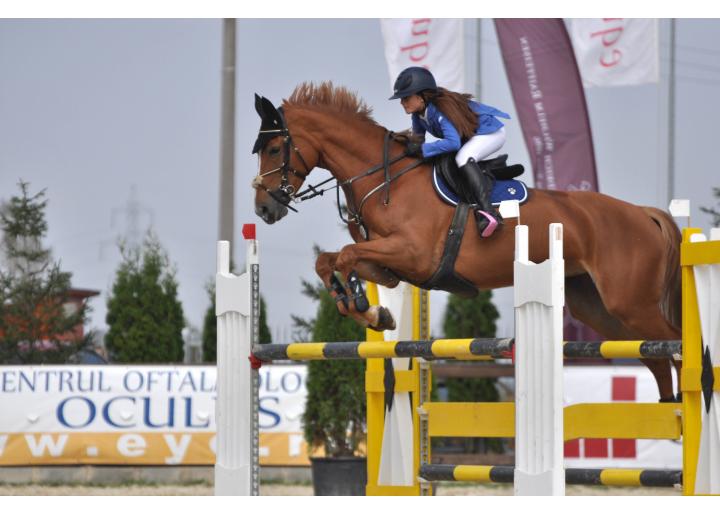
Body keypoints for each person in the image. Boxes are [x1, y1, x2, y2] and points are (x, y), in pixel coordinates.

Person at [389, 66, 511, 238]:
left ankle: (489, 213)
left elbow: (452, 143)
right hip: (472, 136)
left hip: (491, 132)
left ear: (421, 96)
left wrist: (422, 149)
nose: (402, 102)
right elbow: (418, 141)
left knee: (463, 157)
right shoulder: (418, 115)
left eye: (406, 97)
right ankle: (489, 168)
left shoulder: (440, 111)